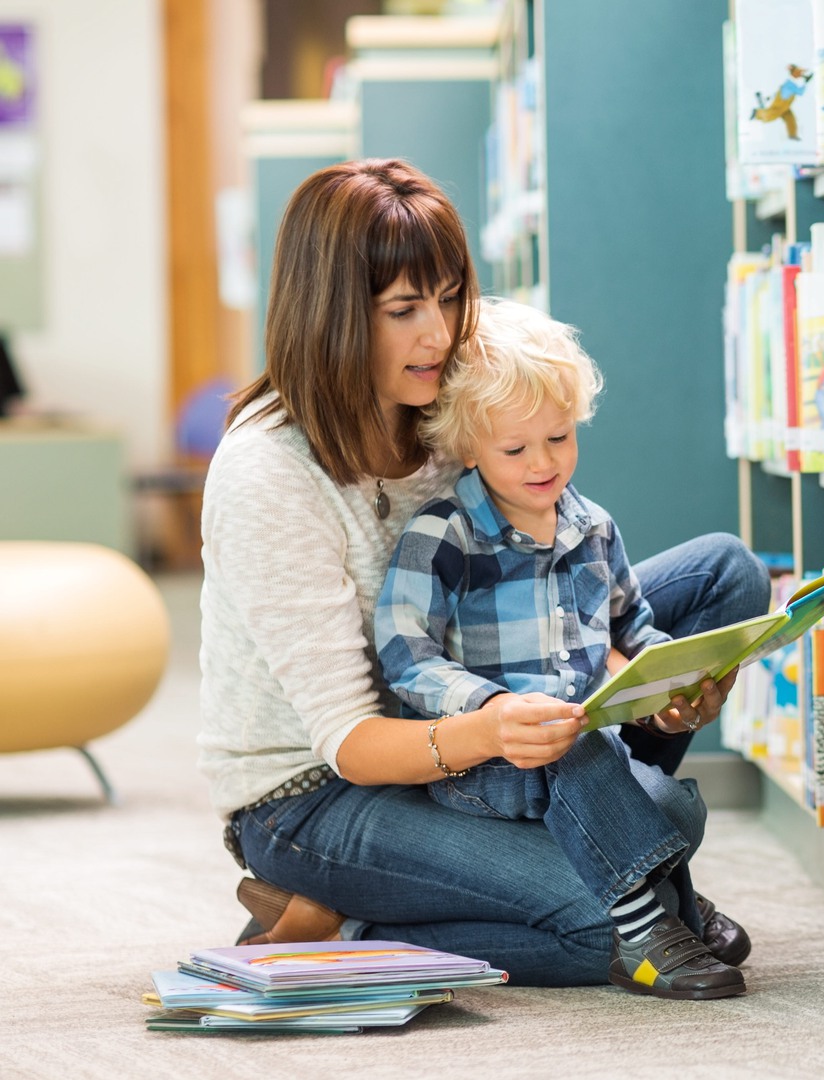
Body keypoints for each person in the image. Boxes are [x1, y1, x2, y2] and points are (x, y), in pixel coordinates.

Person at [197, 158, 769, 990]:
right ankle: (344, 917)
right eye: (403, 311)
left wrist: (650, 681)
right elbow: (350, 740)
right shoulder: (268, 476)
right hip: (319, 792)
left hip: (474, 707)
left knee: (725, 581)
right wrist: (498, 728)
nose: (439, 335)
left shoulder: (442, 396)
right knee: (592, 928)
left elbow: (549, 524)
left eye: (451, 296)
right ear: (332, 317)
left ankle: (611, 819)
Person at [372, 297, 741, 998]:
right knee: (578, 746)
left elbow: (634, 627)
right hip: (479, 764)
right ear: (469, 446)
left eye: (561, 438)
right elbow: (406, 657)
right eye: (515, 449)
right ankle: (653, 926)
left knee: (676, 807)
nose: (544, 463)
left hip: (579, 747)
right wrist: (495, 711)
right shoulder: (444, 535)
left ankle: (663, 905)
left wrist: (666, 687)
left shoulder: (592, 527)